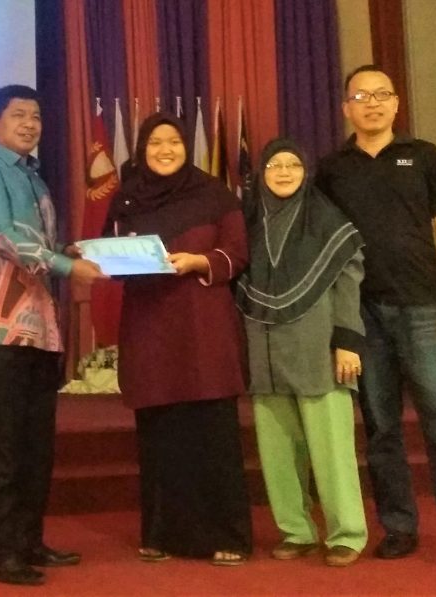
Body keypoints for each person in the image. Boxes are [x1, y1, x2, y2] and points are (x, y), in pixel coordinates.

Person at [316, 64, 436, 567]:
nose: (372, 103)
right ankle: (399, 526)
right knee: (381, 428)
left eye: (381, 94)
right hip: (362, 314)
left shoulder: (424, 155)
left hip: (424, 307)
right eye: (361, 96)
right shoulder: (332, 169)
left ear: (395, 103)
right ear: (346, 108)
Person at [0, 84, 107, 586]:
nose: (29, 124)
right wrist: (66, 266)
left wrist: (72, 253)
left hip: (40, 331)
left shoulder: (34, 178)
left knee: (34, 448)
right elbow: (1, 236)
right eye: (18, 115)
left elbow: (39, 246)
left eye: (36, 116)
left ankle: (27, 540)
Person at [105, 112, 252, 566]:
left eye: (173, 141)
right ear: (141, 149)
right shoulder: (127, 198)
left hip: (202, 327)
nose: (165, 150)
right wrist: (97, 256)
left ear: (187, 147)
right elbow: (112, 256)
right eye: (155, 142)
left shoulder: (214, 194)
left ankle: (228, 536)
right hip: (149, 328)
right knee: (160, 436)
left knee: (213, 435)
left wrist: (198, 261)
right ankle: (162, 534)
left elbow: (237, 254)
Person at [236, 138, 368, 567]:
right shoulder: (248, 220)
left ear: (306, 171)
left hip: (318, 345)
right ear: (261, 173)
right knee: (277, 449)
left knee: (331, 447)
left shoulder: (327, 219)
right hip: (264, 349)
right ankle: (296, 530)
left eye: (292, 164)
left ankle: (347, 533)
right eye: (274, 165)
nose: (284, 172)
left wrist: (347, 342)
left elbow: (348, 282)